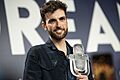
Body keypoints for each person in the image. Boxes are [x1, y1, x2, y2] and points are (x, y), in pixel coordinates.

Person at [23, 1, 94, 80]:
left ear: (66, 21)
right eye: (52, 21)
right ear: (44, 26)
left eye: (62, 19)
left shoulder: (80, 57)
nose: (59, 25)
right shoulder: (36, 54)